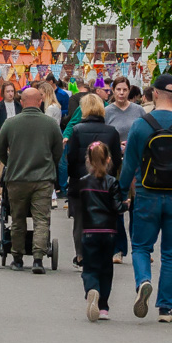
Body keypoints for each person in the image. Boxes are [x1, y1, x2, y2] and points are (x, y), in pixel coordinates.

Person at [119, 74, 172, 323]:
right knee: (171, 254)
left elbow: (129, 164)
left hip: (147, 194)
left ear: (154, 94)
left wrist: (122, 192)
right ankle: (165, 308)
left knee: (142, 247)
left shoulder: (141, 125)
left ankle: (143, 280)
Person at [0, 86, 63, 273]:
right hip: (43, 179)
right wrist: (49, 164)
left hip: (17, 179)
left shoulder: (10, 123)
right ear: (40, 101)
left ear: (22, 102)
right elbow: (58, 151)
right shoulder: (50, 124)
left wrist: (11, 162)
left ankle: (17, 257)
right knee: (42, 220)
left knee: (17, 219)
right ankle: (38, 260)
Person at [67, 94, 123, 267]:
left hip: (81, 182)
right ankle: (103, 252)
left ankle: (81, 255)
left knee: (80, 220)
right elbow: (116, 160)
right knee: (105, 216)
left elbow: (71, 157)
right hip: (104, 183)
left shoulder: (76, 130)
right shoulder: (112, 131)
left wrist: (73, 177)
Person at [77, 142, 126, 322]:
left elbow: (79, 207)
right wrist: (126, 204)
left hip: (89, 230)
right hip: (109, 231)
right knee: (106, 268)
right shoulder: (112, 182)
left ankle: (92, 289)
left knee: (89, 267)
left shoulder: (83, 182)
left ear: (88, 160)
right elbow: (117, 207)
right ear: (108, 160)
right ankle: (104, 307)